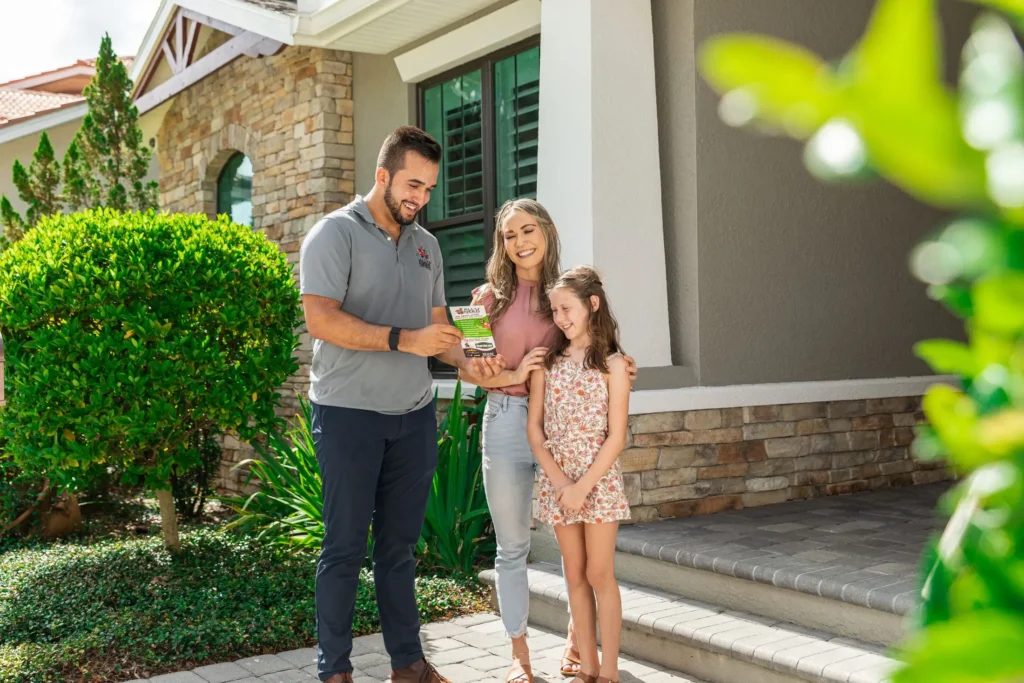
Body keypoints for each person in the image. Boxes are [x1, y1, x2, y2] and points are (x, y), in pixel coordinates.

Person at [299, 125, 505, 683]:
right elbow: (320, 318)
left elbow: (439, 332)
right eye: (413, 184)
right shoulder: (333, 234)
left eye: (429, 188)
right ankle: (334, 671)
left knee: (399, 550)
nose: (420, 197)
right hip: (347, 415)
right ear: (383, 175)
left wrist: (474, 362)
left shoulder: (426, 246)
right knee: (344, 547)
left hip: (412, 417)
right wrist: (401, 339)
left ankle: (408, 665)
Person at [460, 202, 635, 682]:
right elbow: (466, 366)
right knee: (513, 546)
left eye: (528, 230)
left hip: (569, 433)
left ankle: (580, 646)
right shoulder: (487, 299)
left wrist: (620, 363)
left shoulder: (566, 290)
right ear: (502, 243)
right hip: (510, 421)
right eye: (509, 235)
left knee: (575, 556)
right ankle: (520, 656)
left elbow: (592, 345)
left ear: (546, 232)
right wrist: (512, 373)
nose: (520, 241)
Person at [527, 266, 631, 683]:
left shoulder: (615, 364)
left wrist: (583, 486)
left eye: (567, 308)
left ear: (592, 305)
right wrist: (561, 485)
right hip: (559, 482)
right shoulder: (546, 364)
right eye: (554, 311)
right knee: (573, 574)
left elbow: (617, 436)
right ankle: (585, 666)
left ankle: (609, 671)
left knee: (599, 573)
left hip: (599, 482)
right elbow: (535, 430)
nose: (560, 318)